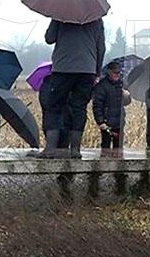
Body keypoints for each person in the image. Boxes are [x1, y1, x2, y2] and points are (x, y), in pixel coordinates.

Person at [38, 17, 105, 159]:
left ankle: (50, 149)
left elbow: (49, 38)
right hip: (87, 69)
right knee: (79, 108)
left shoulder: (61, 15)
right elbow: (101, 47)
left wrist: (55, 19)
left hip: (63, 67)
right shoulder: (96, 18)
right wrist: (96, 71)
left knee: (54, 107)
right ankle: (75, 150)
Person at [92, 60, 132, 150]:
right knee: (105, 147)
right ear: (109, 72)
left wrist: (127, 96)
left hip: (119, 122)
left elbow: (127, 103)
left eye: (119, 72)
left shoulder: (122, 84)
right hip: (107, 123)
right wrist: (100, 122)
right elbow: (97, 105)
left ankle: (119, 163)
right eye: (115, 72)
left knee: (118, 148)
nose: (117, 74)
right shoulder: (101, 86)